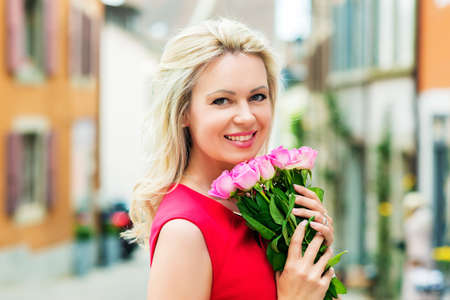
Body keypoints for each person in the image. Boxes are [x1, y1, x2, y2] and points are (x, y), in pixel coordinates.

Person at [122, 18, 336, 300]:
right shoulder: (184, 231)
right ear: (183, 112)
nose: (247, 116)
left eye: (258, 96)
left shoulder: (265, 206)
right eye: (222, 100)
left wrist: (315, 260)